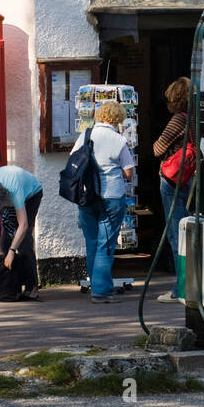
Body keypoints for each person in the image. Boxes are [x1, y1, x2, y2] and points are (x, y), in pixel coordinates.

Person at [71, 100, 135, 303]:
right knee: (105, 244)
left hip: (86, 195)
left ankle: (95, 286)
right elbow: (128, 172)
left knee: (91, 241)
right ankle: (101, 292)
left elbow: (73, 159)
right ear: (118, 118)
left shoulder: (85, 135)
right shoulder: (118, 140)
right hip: (111, 196)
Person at [151, 77, 193, 303]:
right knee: (188, 230)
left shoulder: (178, 119)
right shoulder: (196, 118)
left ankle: (182, 289)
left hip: (172, 178)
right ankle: (192, 284)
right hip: (190, 177)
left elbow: (158, 148)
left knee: (177, 234)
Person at [0, 165, 44, 301]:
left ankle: (32, 286)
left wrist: (12, 251)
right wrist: (1, 253)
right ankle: (7, 286)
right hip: (4, 195)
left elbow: (23, 225)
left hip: (32, 194)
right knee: (6, 239)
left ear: (2, 203)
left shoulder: (14, 191)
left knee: (24, 241)